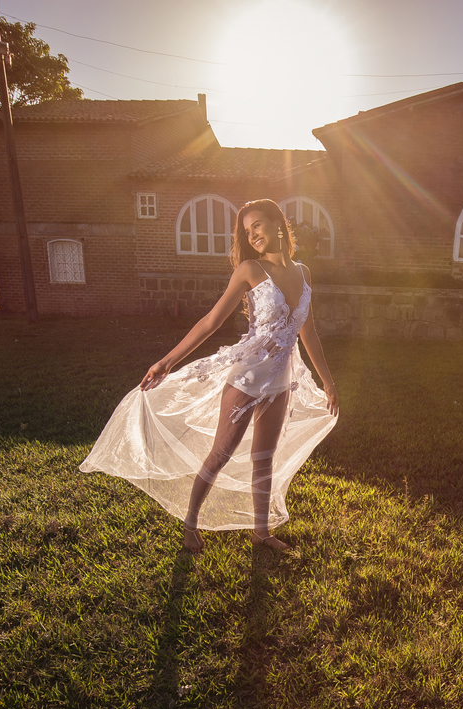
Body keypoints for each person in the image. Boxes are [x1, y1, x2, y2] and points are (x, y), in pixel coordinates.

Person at [80, 198, 339, 554]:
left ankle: (261, 532)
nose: (253, 235)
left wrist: (328, 381)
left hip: (282, 382)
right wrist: (167, 361)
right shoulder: (250, 269)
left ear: (278, 223)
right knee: (220, 453)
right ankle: (190, 523)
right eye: (248, 231)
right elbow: (211, 321)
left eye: (258, 226)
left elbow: (308, 333)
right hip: (246, 379)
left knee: (264, 457)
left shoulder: (304, 273)